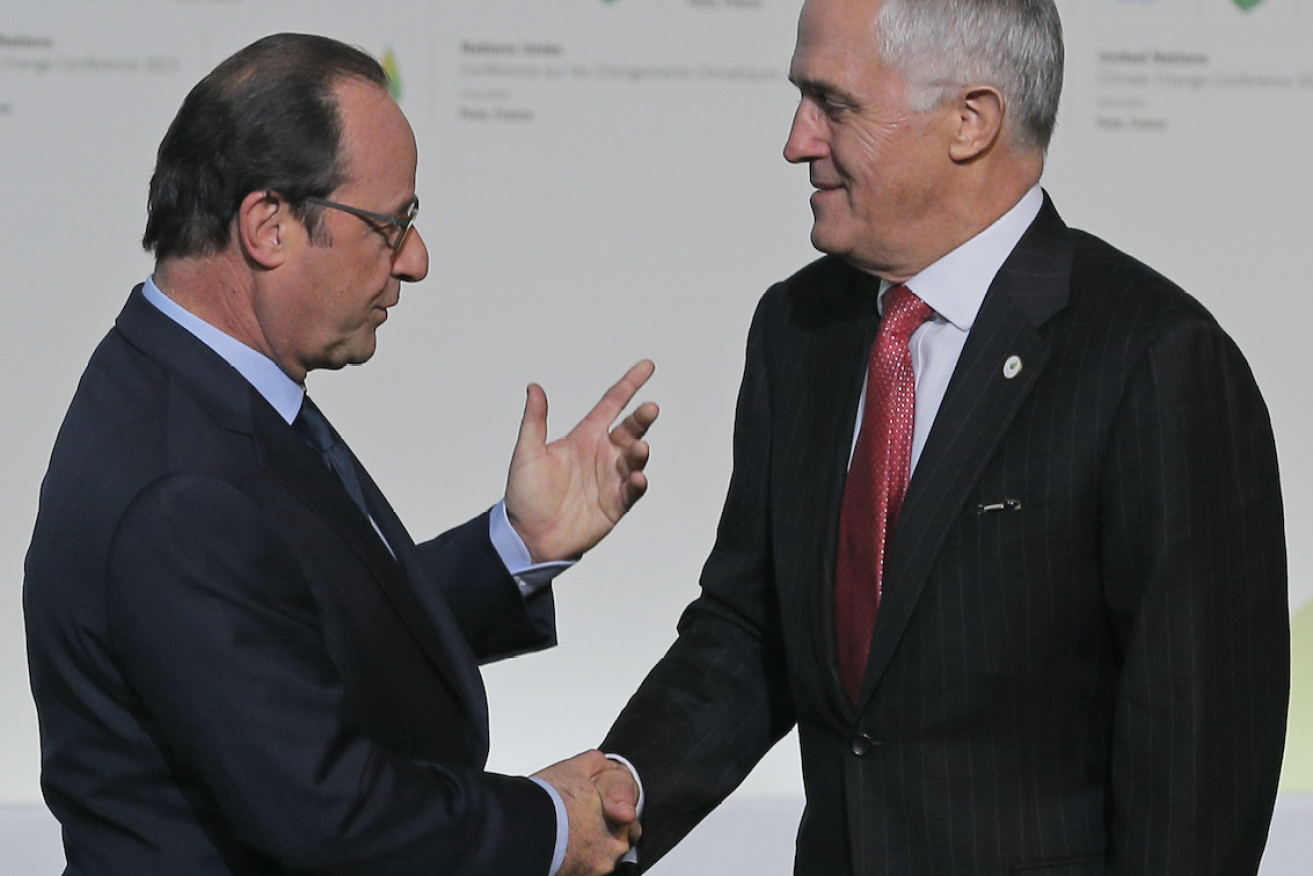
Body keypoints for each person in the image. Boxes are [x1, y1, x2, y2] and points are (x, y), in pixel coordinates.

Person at [600, 0, 1288, 873]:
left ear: (970, 122)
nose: (796, 140)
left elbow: (1199, 761)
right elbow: (753, 630)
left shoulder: (1152, 360)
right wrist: (607, 803)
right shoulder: (795, 329)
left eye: (832, 104)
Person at [24, 33, 652, 876]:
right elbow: (325, 813)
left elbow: (295, 626)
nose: (415, 262)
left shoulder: (197, 389)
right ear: (268, 224)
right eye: (391, 225)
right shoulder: (181, 483)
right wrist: (545, 826)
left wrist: (518, 547)